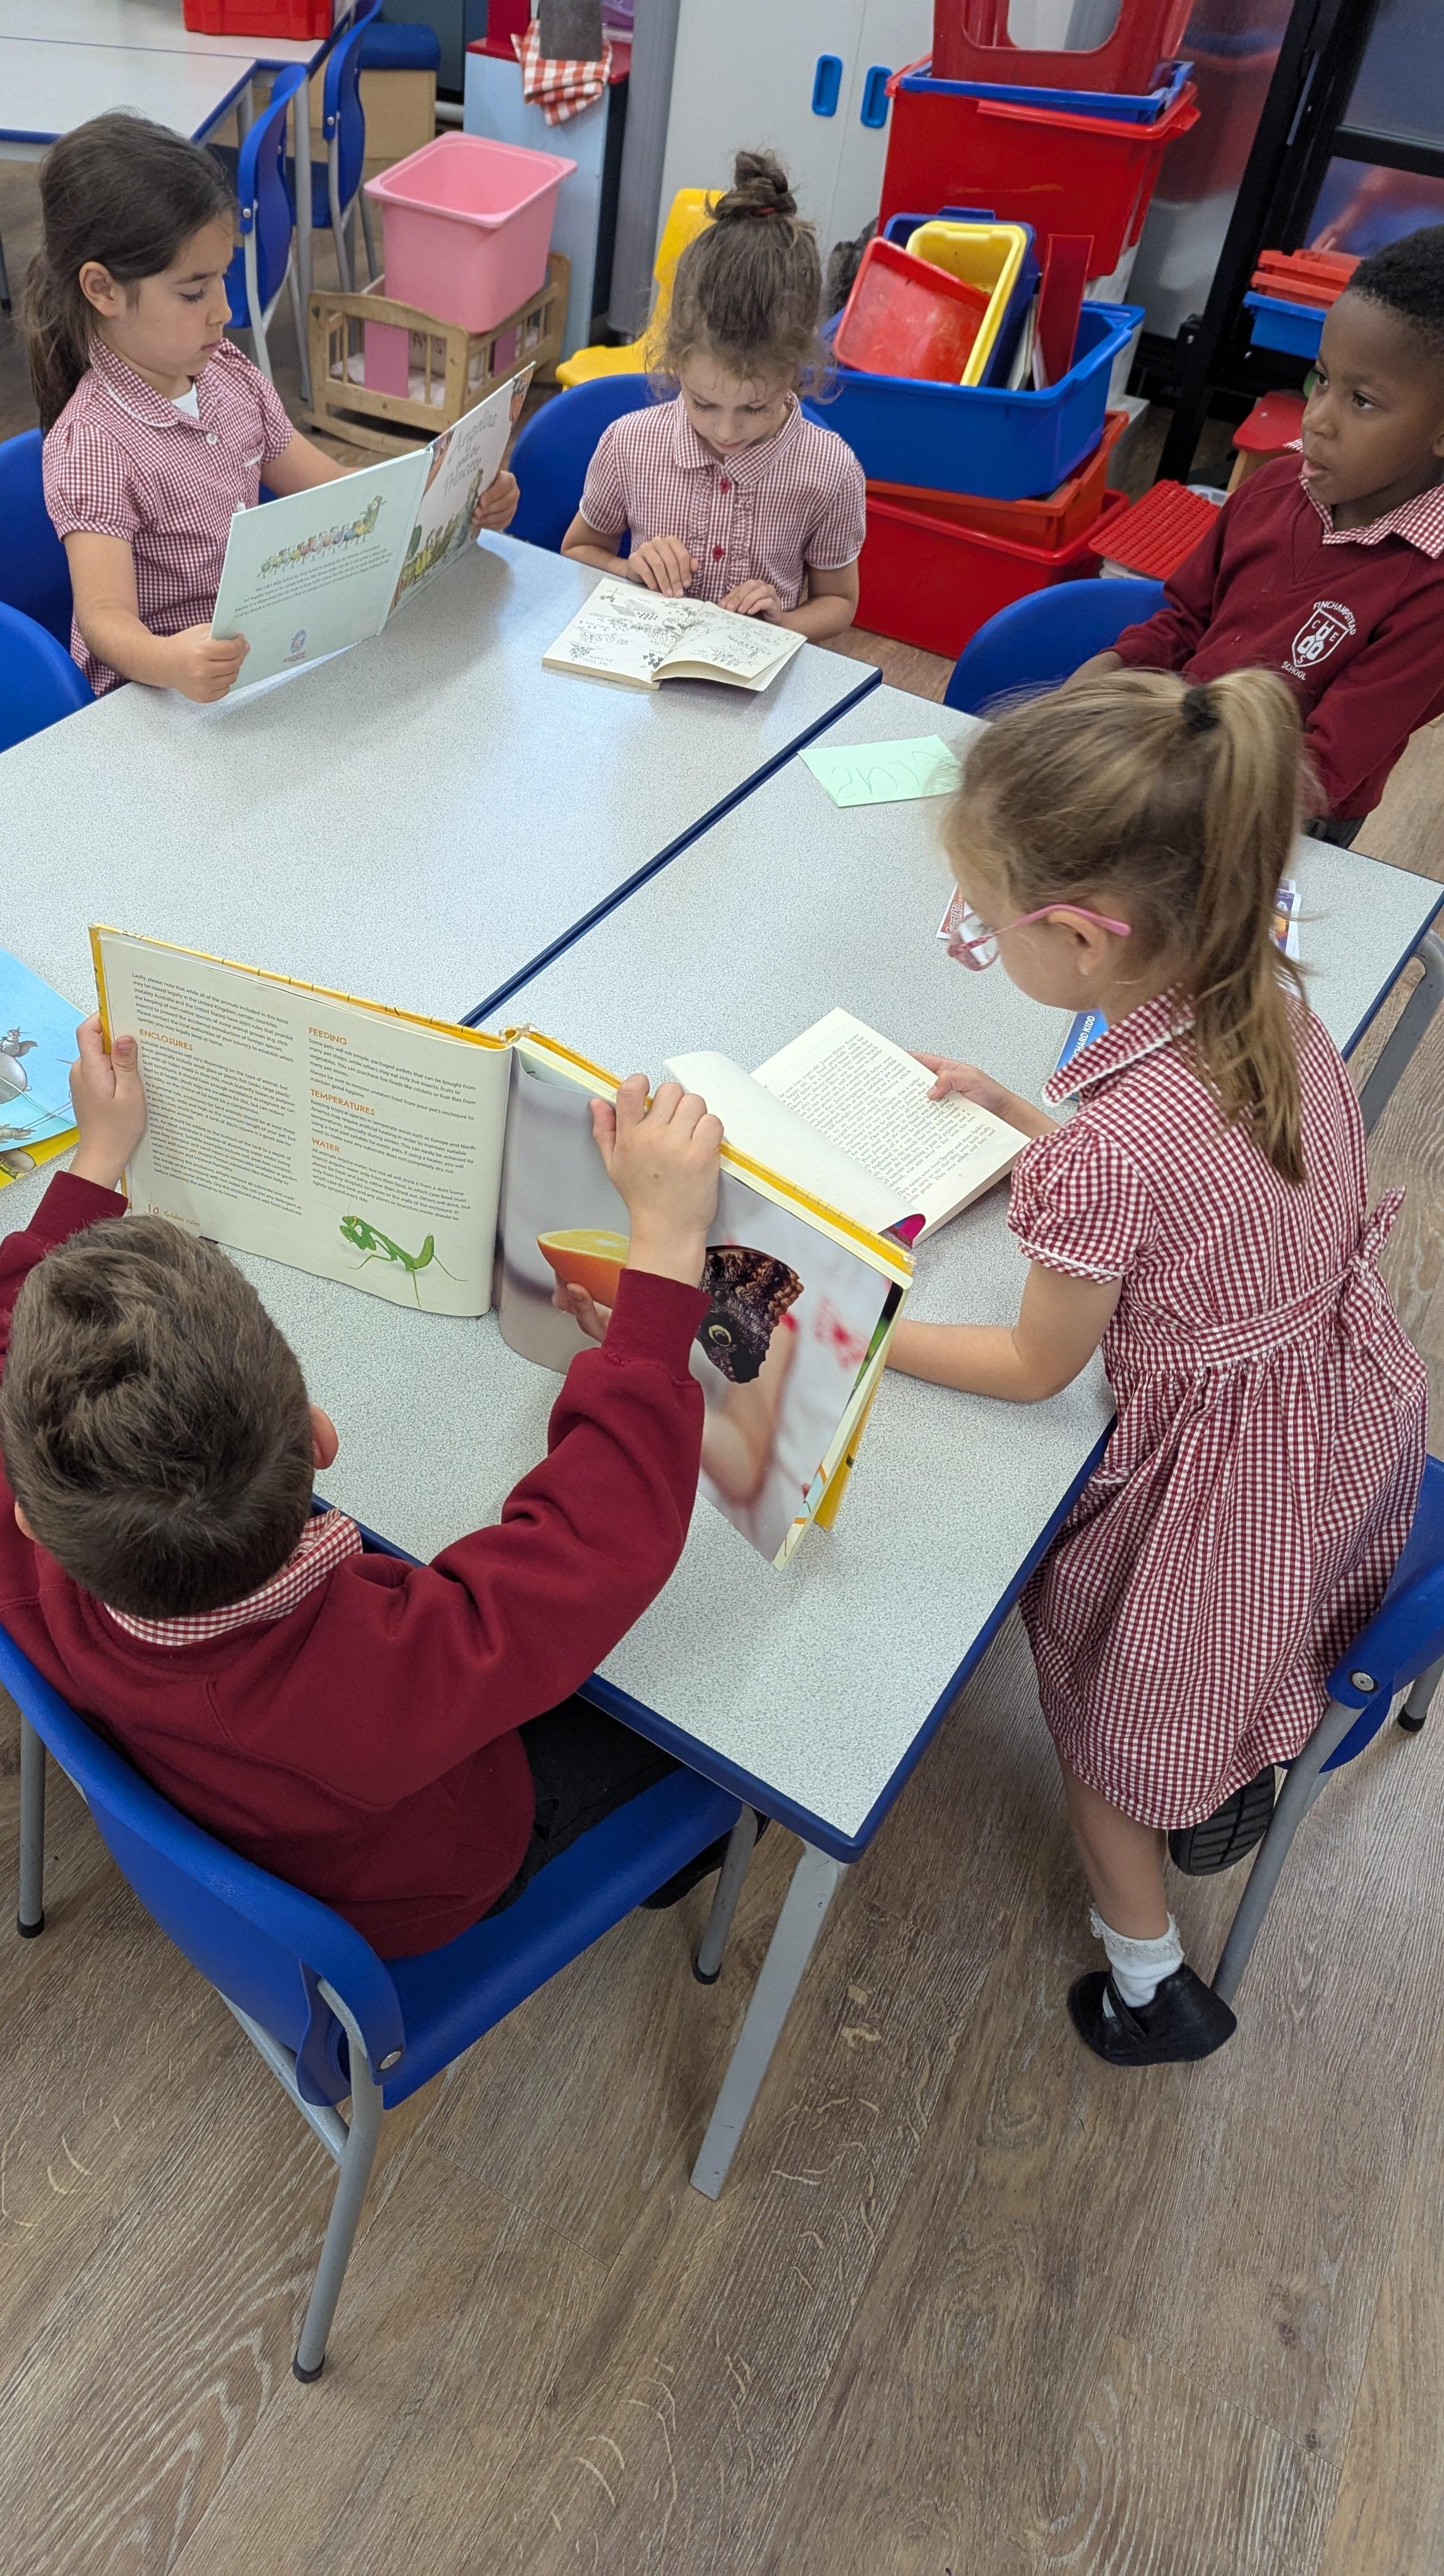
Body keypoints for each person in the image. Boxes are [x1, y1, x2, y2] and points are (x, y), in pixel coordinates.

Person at [886, 669, 1426, 2068]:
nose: (977, 936)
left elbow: (1031, 1364)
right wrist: (1024, 1116)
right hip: (1335, 1418)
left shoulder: (1113, 1154)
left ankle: (1151, 1982)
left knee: (1108, 1749)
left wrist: (865, 1331)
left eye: (981, 919)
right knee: (1232, 1648)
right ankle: (1238, 1731)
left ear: (1075, 937)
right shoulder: (1271, 1007)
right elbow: (1189, 1193)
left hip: (1212, 1492)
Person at [0, 1025, 737, 1959]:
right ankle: (683, 1864)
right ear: (321, 1441)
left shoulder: (12, 1510)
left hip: (219, 1796)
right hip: (425, 1879)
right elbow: (600, 1544)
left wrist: (98, 1157)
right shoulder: (384, 1677)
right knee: (705, 1738)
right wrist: (667, 1248)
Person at [25, 112, 518, 705]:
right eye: (194, 292)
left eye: (223, 279)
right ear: (103, 289)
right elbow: (105, 620)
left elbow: (334, 489)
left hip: (258, 671)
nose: (223, 311)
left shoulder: (227, 372)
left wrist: (452, 493)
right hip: (162, 701)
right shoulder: (93, 444)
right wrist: (173, 661)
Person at [1071, 226, 1444, 844]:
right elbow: (1187, 621)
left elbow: (1324, 768)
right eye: (1321, 379)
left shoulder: (1430, 592)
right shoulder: (1272, 488)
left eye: (1362, 401)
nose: (1317, 419)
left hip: (1284, 819)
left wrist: (1166, 788)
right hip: (1178, 757)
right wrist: (1112, 669)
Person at [559, 149, 862, 643]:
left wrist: (783, 624)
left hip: (754, 681)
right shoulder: (629, 445)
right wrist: (630, 569)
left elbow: (839, 602)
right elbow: (577, 551)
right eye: (703, 403)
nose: (726, 431)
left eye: (755, 407)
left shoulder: (831, 472)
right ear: (676, 360)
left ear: (796, 369)